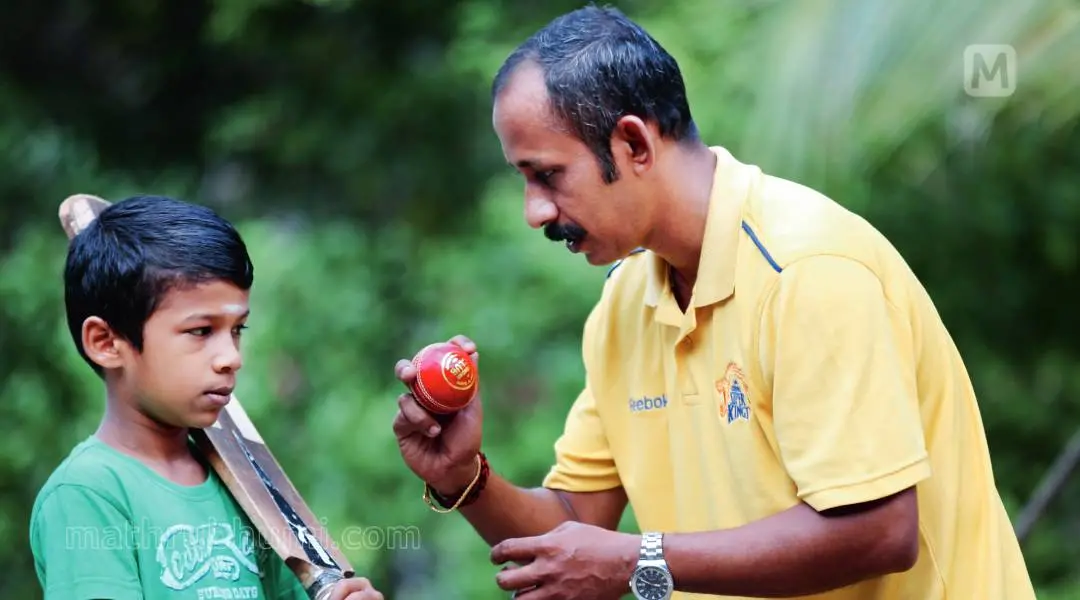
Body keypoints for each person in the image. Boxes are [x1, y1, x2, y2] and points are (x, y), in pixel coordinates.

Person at [391, 5, 1037, 600]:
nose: (535, 212)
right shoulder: (623, 305)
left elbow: (877, 530)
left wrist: (637, 560)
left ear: (635, 145)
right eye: (524, 179)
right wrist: (462, 477)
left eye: (548, 175)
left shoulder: (809, 270)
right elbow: (574, 526)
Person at [30, 195, 383, 600]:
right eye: (201, 331)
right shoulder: (87, 493)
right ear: (106, 342)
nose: (231, 358)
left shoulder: (245, 486)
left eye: (237, 330)